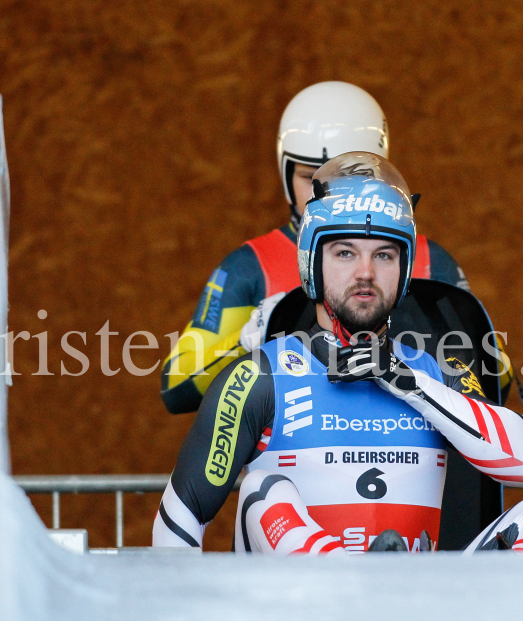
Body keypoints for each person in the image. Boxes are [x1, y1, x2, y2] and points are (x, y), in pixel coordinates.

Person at [153, 153, 523, 554]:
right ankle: (343, 586)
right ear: (311, 264)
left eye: (384, 255)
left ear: (405, 271)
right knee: (263, 492)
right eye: (345, 253)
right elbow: (177, 521)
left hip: (411, 608)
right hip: (297, 617)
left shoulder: (438, 368)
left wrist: (408, 384)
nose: (366, 272)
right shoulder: (260, 376)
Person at [160, 81, 483, 415]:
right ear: (287, 177)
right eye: (310, 179)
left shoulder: (432, 262)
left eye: (349, 178)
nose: (327, 195)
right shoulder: (251, 266)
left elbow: (491, 383)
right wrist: (248, 337)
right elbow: (176, 389)